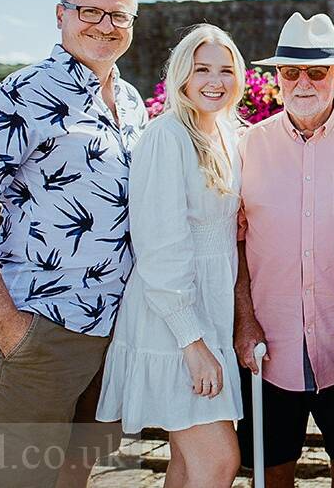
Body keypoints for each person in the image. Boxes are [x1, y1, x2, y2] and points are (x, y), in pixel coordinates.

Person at [0, 0, 148, 488]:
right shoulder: (22, 94)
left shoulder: (134, 102)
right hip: (40, 324)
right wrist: (9, 326)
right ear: (61, 16)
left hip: (111, 328)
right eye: (89, 11)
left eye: (118, 15)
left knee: (76, 473)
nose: (104, 25)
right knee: (11, 479)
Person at [235, 12, 334, 488]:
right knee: (272, 466)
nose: (302, 82)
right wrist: (244, 321)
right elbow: (236, 244)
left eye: (317, 71)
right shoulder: (246, 146)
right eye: (289, 72)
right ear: (276, 77)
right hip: (266, 342)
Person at [97, 24, 246, 488]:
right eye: (202, 69)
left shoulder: (225, 133)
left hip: (212, 309)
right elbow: (159, 245)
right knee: (218, 461)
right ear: (182, 75)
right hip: (174, 320)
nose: (214, 81)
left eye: (225, 70)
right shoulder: (167, 136)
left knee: (188, 463)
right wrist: (192, 342)